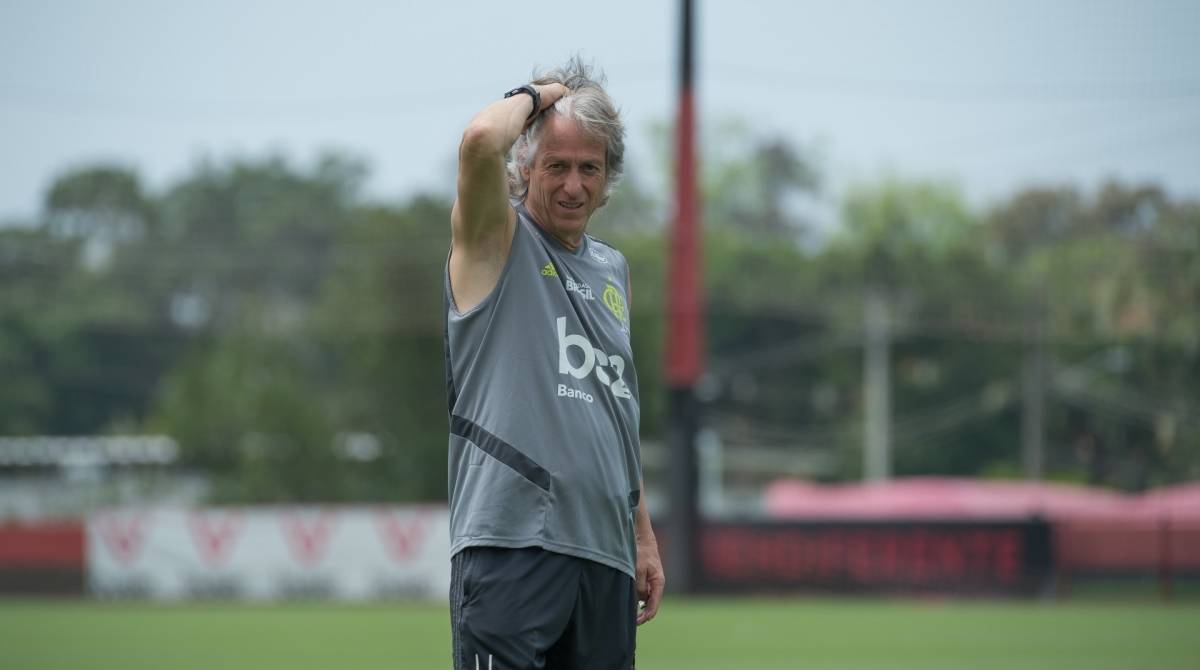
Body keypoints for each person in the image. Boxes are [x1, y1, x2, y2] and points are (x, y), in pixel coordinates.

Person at [443, 57, 664, 670]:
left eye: (589, 168)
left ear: (608, 177)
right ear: (524, 167)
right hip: (514, 547)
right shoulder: (497, 240)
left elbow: (614, 411)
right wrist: (542, 95)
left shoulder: (612, 268)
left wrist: (641, 535)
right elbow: (480, 140)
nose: (573, 185)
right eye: (557, 166)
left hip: (604, 556)